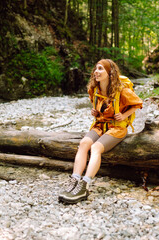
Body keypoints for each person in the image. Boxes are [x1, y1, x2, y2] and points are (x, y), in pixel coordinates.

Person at [58, 59, 143, 204]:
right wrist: (96, 112)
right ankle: (75, 180)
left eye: (100, 69)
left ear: (110, 73)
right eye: (95, 69)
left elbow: (138, 104)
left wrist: (124, 115)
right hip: (100, 125)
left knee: (95, 147)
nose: (96, 72)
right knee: (84, 143)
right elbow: (98, 107)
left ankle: (84, 186)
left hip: (117, 128)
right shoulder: (94, 89)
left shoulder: (122, 90)